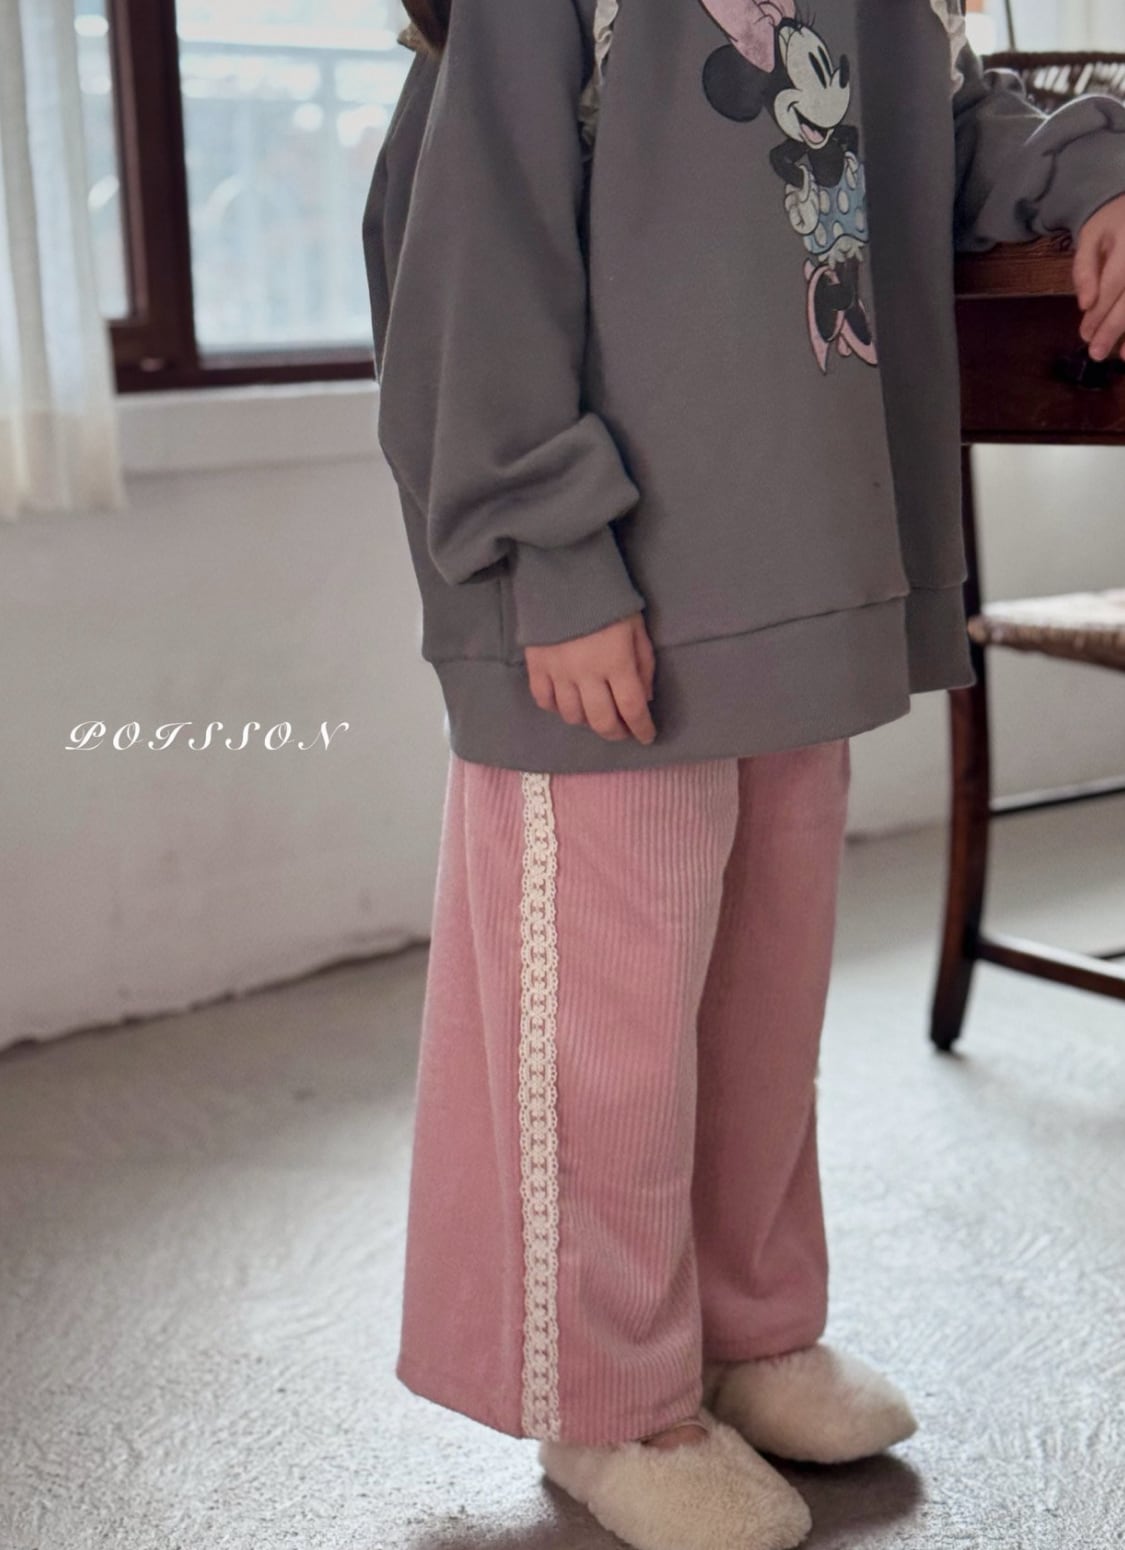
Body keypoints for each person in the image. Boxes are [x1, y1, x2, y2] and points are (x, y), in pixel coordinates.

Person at [362, 3, 1125, 1546]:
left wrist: (1097, 167)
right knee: (607, 1026)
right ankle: (610, 1400)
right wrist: (546, 554)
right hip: (611, 582)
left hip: (803, 547)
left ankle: (747, 1328)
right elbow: (468, 257)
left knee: (764, 996)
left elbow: (946, 129)